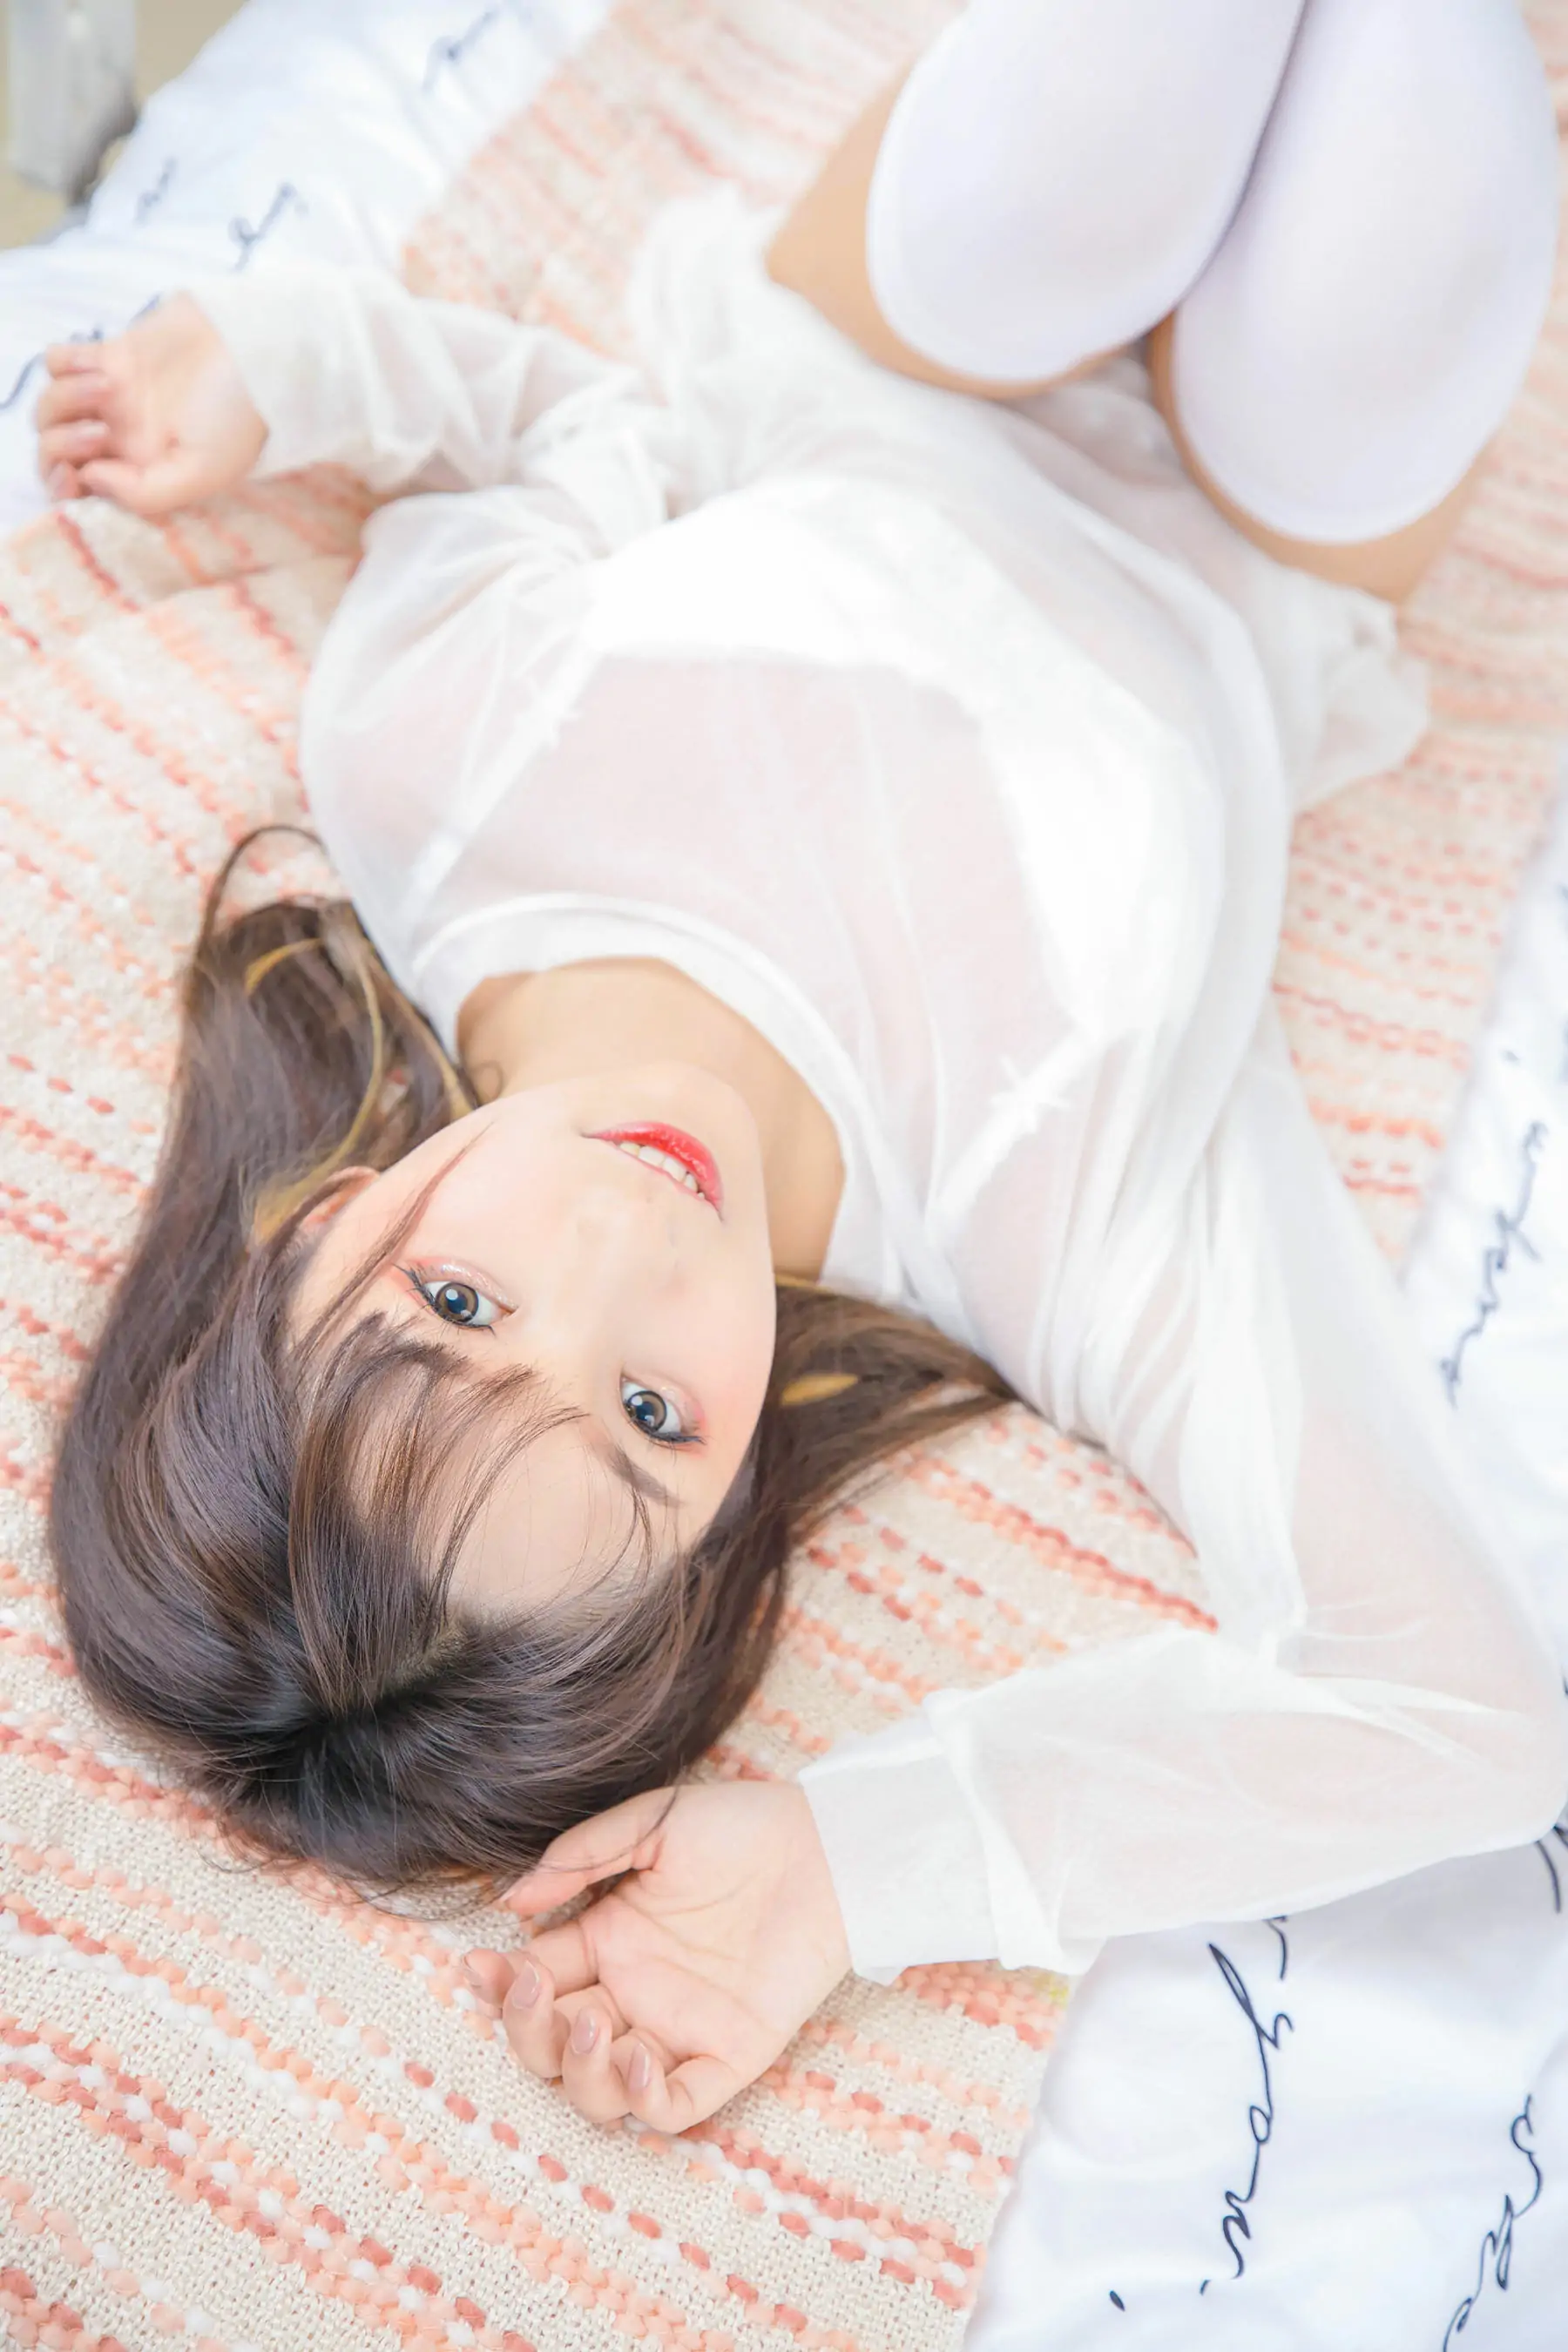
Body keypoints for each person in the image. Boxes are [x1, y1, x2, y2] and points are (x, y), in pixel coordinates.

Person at [36, 0, 1567, 2138]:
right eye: (651, 1420)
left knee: (1121, 111)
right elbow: (1471, 1705)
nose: (626, 1250)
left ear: (324, 1227)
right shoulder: (1052, 1222)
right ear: (732, 1509)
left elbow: (566, 427)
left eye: (462, 1303)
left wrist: (291, 359)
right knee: (1434, 99)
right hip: (1256, 552)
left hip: (912, 342)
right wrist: (858, 1866)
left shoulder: (437, 782)